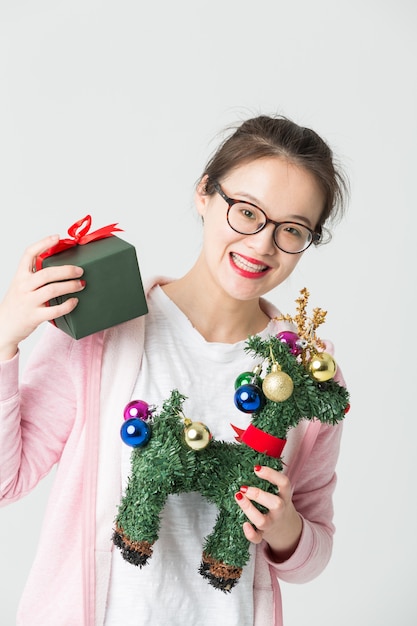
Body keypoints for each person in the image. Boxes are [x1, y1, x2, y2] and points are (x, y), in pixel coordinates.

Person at [0, 114, 349, 626]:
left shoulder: (308, 373)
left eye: (292, 229)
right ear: (205, 194)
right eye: (247, 212)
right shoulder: (103, 328)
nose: (262, 245)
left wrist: (285, 527)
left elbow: (313, 554)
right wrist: (4, 340)